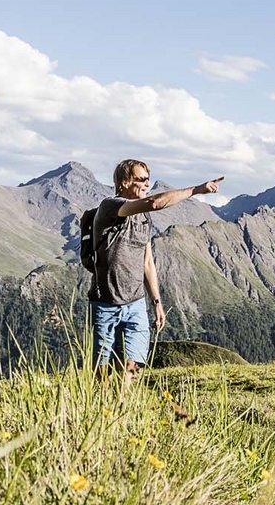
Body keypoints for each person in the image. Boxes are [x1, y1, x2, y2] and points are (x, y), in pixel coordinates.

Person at [89, 159, 223, 382]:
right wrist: (197, 190)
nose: (146, 184)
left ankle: (125, 410)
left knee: (131, 369)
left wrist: (157, 303)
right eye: (141, 179)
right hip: (105, 304)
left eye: (148, 180)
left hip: (135, 304)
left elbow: (147, 262)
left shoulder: (143, 217)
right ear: (124, 182)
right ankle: (102, 410)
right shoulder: (110, 206)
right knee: (102, 376)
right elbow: (155, 202)